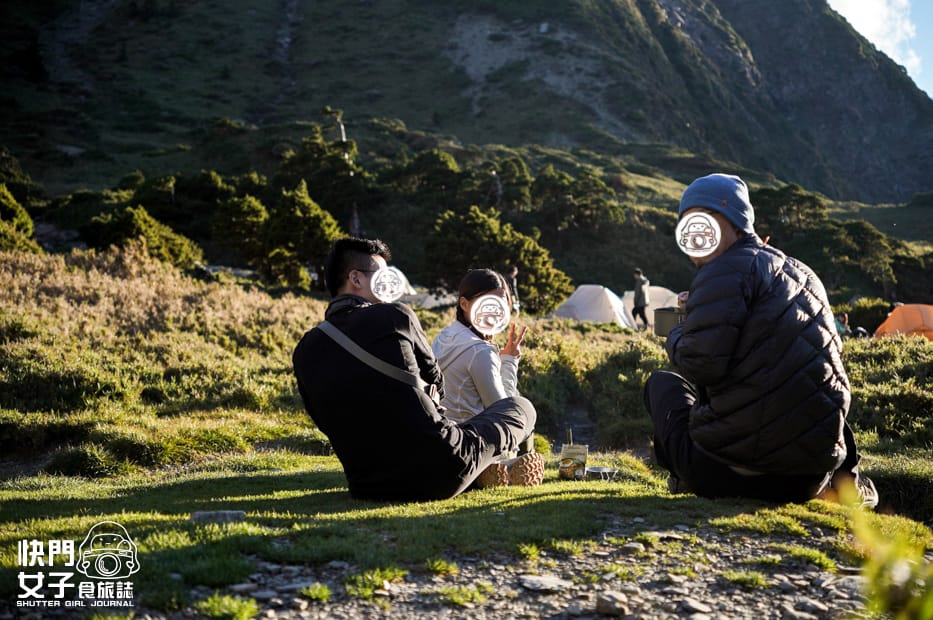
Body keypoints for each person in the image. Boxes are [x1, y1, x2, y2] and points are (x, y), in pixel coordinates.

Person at [643, 173, 877, 507]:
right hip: (807, 481)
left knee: (662, 384)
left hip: (729, 475)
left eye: (706, 221)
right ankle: (845, 482)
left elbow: (701, 364)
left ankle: (683, 478)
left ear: (736, 224)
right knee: (809, 383)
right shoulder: (804, 273)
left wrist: (678, 331)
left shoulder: (722, 270)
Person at [292, 237, 541, 501]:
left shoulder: (305, 349)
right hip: (440, 472)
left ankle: (492, 467)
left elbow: (322, 420)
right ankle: (510, 464)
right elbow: (437, 382)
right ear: (356, 279)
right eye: (384, 276)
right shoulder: (395, 317)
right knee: (520, 408)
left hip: (366, 485)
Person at [432, 270, 542, 486]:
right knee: (524, 409)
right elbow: (504, 412)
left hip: (442, 439)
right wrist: (510, 361)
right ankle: (506, 465)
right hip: (470, 446)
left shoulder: (445, 336)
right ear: (464, 304)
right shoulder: (479, 351)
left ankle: (501, 467)